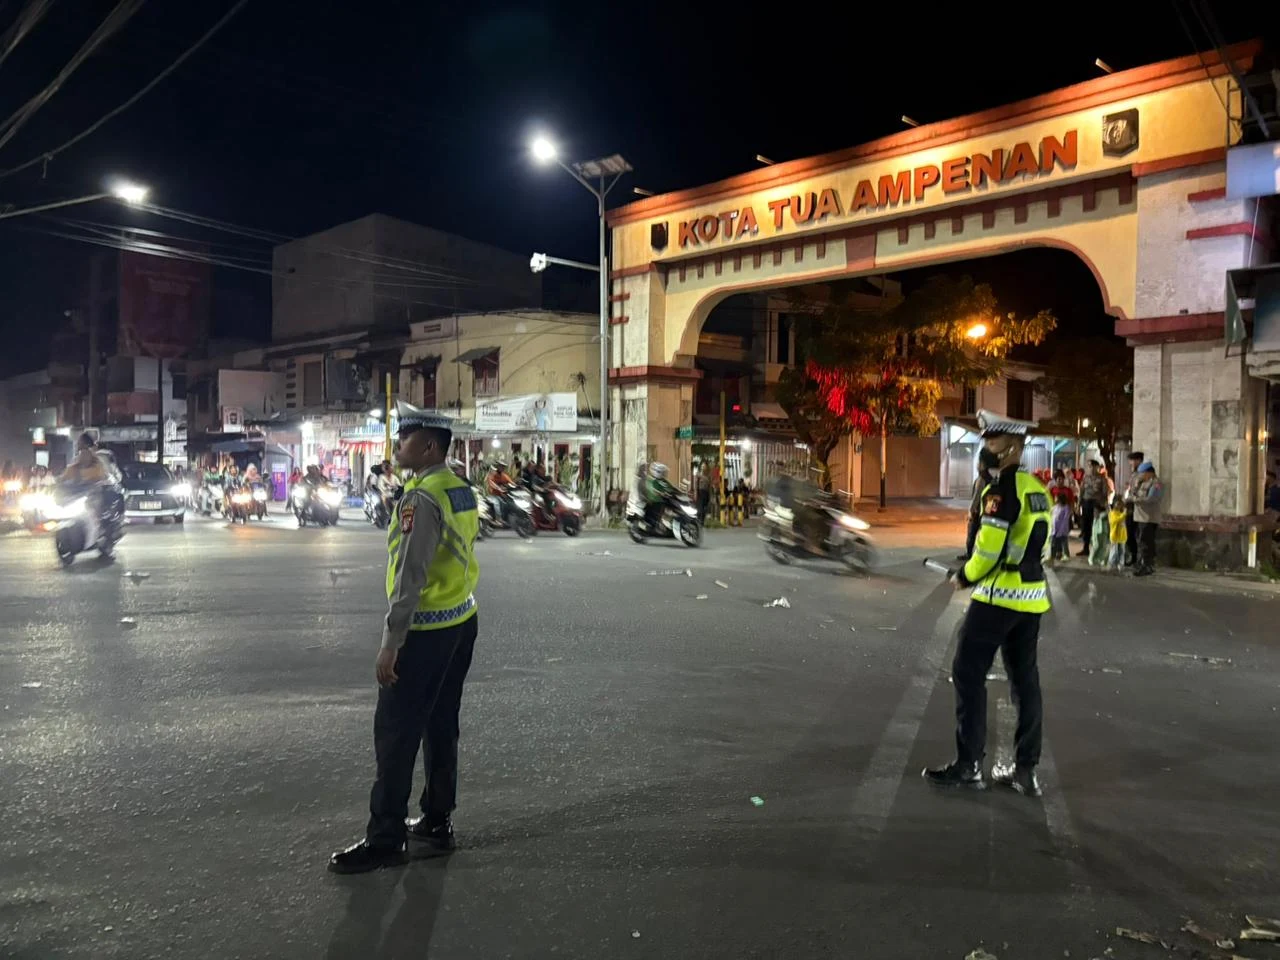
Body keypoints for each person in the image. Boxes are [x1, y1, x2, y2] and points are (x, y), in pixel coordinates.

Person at [329, 401, 481, 875]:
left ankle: (385, 838)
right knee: (441, 725)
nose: (397, 446)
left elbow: (411, 576)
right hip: (461, 620)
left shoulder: (422, 498)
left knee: (395, 735)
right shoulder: (460, 489)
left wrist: (391, 642)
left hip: (426, 630)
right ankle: (437, 820)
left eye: (406, 439)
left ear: (429, 445)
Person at [924, 409, 1050, 797]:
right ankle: (1026, 770)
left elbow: (989, 551)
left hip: (998, 597)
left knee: (967, 671)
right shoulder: (1036, 489)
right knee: (1024, 682)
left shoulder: (1001, 492)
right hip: (1031, 599)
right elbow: (1041, 547)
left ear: (1012, 446)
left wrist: (965, 576)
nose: (986, 448)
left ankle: (969, 765)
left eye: (991, 442)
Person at [962, 448, 1001, 561]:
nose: (977, 465)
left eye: (978, 462)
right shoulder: (999, 476)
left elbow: (977, 496)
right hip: (992, 510)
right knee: (987, 535)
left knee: (972, 533)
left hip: (979, 511)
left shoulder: (982, 478)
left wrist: (971, 511)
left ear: (983, 463)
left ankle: (969, 554)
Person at [1131, 461, 1163, 577]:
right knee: (1141, 541)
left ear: (1149, 473)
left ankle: (1147, 565)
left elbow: (1151, 499)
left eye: (1142, 473)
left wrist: (1136, 499)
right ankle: (1142, 563)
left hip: (1149, 518)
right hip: (1140, 517)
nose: (1140, 475)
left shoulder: (1156, 484)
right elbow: (1133, 493)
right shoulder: (1141, 482)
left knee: (1145, 543)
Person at [1078, 461, 1106, 557]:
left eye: (1093, 466)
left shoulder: (1102, 478)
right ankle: (1085, 548)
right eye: (1089, 466)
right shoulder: (1085, 477)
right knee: (1086, 526)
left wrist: (1102, 506)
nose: (1091, 468)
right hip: (1086, 503)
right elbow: (1081, 491)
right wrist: (1078, 504)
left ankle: (1096, 549)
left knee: (1095, 528)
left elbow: (1104, 493)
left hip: (1096, 504)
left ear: (1097, 467)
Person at [1123, 451, 1144, 566]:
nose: (1130, 463)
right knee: (1129, 532)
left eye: (1132, 460)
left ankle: (1138, 558)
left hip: (1139, 508)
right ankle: (1133, 556)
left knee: (1137, 534)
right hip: (1130, 507)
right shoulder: (1133, 474)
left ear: (1139, 460)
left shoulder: (1143, 475)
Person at [1107, 494, 1128, 572]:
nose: (1118, 505)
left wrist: (1123, 514)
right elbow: (1114, 521)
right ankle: (1110, 564)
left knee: (1122, 551)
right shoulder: (1112, 513)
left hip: (1122, 536)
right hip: (1114, 536)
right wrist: (1123, 514)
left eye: (1120, 504)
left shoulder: (1121, 513)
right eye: (1117, 503)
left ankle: (1121, 565)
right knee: (1114, 551)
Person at [1050, 492, 1070, 562]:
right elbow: (1051, 516)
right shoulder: (1054, 507)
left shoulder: (1065, 508)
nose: (1055, 499)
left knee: (1064, 543)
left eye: (1056, 497)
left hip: (1062, 529)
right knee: (1053, 543)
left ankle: (1066, 555)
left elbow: (1065, 520)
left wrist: (1061, 530)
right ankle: (1053, 555)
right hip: (1054, 529)